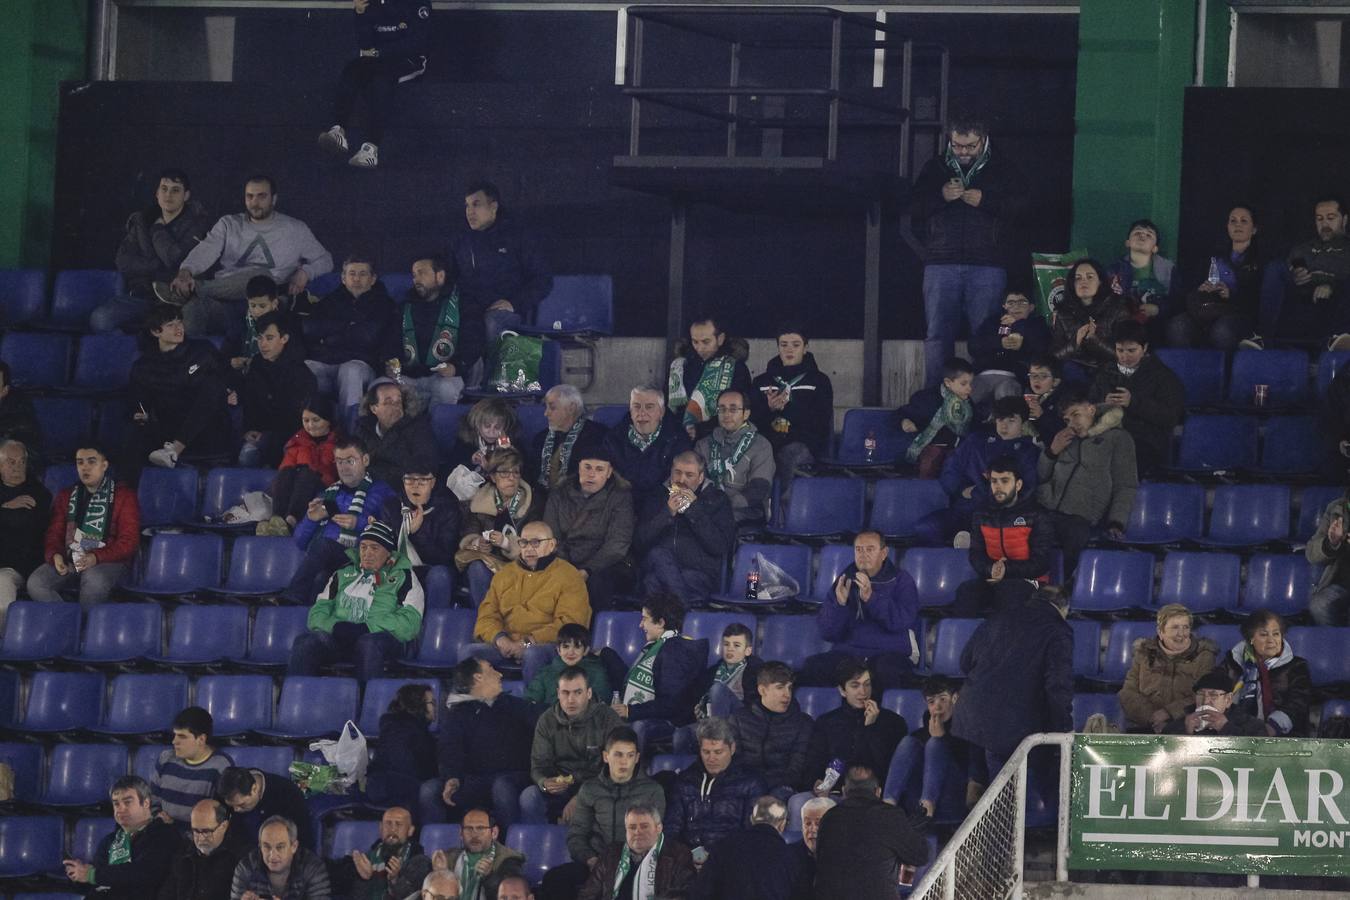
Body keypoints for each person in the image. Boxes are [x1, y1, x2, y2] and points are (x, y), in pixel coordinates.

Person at [910, 114, 1026, 389]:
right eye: (957, 145)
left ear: (983, 140)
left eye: (970, 146)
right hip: (940, 262)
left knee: (985, 334)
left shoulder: (1002, 168)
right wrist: (940, 195)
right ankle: (937, 396)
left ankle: (983, 395)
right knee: (937, 335)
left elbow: (1022, 207)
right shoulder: (936, 167)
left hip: (987, 263)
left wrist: (987, 201)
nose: (962, 152)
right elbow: (914, 206)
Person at [166, 175, 332, 336]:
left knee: (260, 276)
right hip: (225, 300)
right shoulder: (229, 224)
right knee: (191, 313)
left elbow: (325, 260)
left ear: (273, 199)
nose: (254, 203)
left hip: (267, 308)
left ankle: (196, 288)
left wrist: (305, 273)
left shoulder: (295, 229)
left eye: (261, 196)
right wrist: (185, 273)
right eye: (250, 196)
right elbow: (206, 250)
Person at [951, 586, 1073, 780]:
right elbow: (1057, 686)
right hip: (1010, 727)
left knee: (985, 794)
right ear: (1063, 608)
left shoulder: (999, 617)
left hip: (971, 720)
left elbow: (965, 662)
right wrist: (1064, 730)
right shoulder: (1057, 629)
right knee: (1009, 800)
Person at [289, 519, 425, 684]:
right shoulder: (342, 573)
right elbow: (318, 612)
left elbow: (409, 623)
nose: (367, 553)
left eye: (374, 548)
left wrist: (367, 628)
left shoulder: (405, 577)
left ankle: (366, 704)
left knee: (368, 644)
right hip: (340, 638)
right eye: (363, 547)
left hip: (381, 641)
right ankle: (295, 702)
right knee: (306, 643)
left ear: (388, 552)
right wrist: (334, 627)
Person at [800, 530, 919, 694]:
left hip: (891, 651)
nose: (863, 555)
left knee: (885, 671)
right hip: (850, 652)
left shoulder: (901, 580)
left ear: (884, 553)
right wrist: (840, 605)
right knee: (814, 666)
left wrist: (871, 598)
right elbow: (827, 632)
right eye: (859, 549)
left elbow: (900, 622)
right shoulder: (844, 580)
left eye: (870, 549)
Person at [94, 167, 212, 333]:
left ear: (186, 196)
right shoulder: (141, 220)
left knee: (187, 327)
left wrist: (157, 228)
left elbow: (175, 259)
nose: (168, 195)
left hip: (176, 300)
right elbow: (123, 261)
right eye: (164, 189)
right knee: (101, 319)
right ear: (157, 193)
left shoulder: (198, 224)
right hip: (143, 296)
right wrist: (156, 266)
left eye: (175, 190)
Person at [282, 436, 398, 604]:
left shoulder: (383, 493)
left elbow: (394, 532)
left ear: (365, 460)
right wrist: (310, 519)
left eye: (350, 461)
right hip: (329, 563)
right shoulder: (328, 494)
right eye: (339, 461)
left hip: (363, 559)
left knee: (324, 547)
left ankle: (292, 598)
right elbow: (300, 542)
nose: (343, 468)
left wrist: (358, 524)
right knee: (321, 578)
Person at [553, 725, 666, 898]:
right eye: (618, 754)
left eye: (630, 755)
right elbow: (576, 835)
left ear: (637, 758)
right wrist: (590, 859)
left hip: (635, 864)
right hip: (596, 861)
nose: (624, 762)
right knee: (555, 879)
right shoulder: (590, 789)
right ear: (606, 756)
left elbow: (655, 838)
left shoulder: (652, 791)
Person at [1035, 386, 1137, 575]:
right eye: (1067, 419)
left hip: (1080, 516)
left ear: (1091, 409)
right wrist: (1051, 452)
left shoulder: (1118, 438)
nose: (1072, 423)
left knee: (1074, 535)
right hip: (1046, 509)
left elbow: (1126, 485)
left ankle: (1062, 589)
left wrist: (1116, 522)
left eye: (1076, 415)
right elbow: (1041, 477)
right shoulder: (1065, 438)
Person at [317, 0, 431, 168]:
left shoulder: (417, 3)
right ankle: (338, 131)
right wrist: (360, 13)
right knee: (352, 69)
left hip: (409, 61)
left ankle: (371, 149)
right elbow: (365, 44)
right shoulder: (370, 3)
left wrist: (379, 52)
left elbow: (417, 42)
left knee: (380, 80)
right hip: (378, 60)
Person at [422, 658, 534, 827]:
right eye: (491, 669)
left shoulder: (513, 705)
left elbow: (544, 720)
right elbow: (449, 750)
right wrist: (452, 777)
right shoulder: (457, 713)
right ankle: (438, 846)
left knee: (502, 787)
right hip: (474, 780)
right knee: (429, 790)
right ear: (478, 677)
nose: (500, 674)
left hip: (513, 776)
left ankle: (510, 847)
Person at [917, 396, 1040, 546]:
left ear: (1023, 423)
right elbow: (950, 470)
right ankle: (953, 557)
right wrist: (960, 489)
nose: (1004, 426)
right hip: (965, 509)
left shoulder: (1029, 451)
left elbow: (1026, 489)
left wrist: (977, 492)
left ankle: (967, 547)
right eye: (1000, 420)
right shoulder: (976, 442)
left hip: (1001, 515)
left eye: (1011, 421)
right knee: (926, 528)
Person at [28, 443, 140, 609]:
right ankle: (69, 623)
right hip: (71, 557)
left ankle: (87, 630)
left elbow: (129, 542)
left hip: (109, 560)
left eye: (91, 462)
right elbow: (54, 533)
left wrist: (96, 557)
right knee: (36, 583)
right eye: (80, 462)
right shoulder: (67, 495)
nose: (85, 467)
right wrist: (55, 555)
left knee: (94, 579)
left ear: (104, 465)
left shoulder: (124, 496)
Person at [448, 180, 553, 350]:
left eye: (476, 205)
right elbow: (451, 279)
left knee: (492, 322)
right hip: (471, 311)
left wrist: (514, 303)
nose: (470, 212)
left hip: (509, 313)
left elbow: (543, 280)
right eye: (467, 206)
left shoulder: (517, 237)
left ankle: (493, 377)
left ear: (493, 207)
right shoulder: (461, 241)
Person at [126, 306, 232, 475]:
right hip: (168, 423)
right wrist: (140, 412)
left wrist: (230, 390)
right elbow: (138, 400)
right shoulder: (144, 366)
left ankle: (175, 449)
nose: (179, 328)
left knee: (212, 386)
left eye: (180, 322)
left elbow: (225, 377)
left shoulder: (203, 350)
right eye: (171, 325)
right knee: (134, 431)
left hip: (205, 425)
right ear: (155, 332)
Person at [471, 520, 591, 664]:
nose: (528, 548)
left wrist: (527, 643)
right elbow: (486, 616)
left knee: (533, 655)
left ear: (551, 545)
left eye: (535, 543)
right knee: (470, 653)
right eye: (524, 543)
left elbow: (569, 623)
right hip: (506, 645)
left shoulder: (569, 575)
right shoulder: (505, 574)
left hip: (546, 646)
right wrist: (501, 640)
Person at [951, 456, 1053, 618]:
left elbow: (1041, 562)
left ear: (1018, 485)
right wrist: (990, 568)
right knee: (966, 592)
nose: (998, 487)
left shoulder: (1037, 515)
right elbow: (976, 554)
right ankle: (967, 641)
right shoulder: (981, 514)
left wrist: (1008, 569)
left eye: (1004, 481)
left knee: (1011, 592)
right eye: (994, 481)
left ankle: (1005, 642)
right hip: (994, 579)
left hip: (1031, 581)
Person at [522, 666, 623, 824]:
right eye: (565, 693)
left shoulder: (608, 719)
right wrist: (544, 783)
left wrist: (583, 796)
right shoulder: (546, 720)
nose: (571, 700)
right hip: (561, 788)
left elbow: (617, 768)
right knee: (530, 796)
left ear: (588, 693)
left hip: (598, 786)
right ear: (558, 693)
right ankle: (541, 845)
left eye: (578, 692)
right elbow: (538, 765)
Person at [633, 451, 737, 604]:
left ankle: (674, 619)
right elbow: (639, 543)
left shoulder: (717, 500)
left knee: (652, 582)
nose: (681, 480)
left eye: (689, 475)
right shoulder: (656, 497)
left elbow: (720, 547)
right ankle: (683, 615)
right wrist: (666, 514)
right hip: (656, 566)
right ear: (671, 472)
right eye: (677, 473)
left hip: (698, 573)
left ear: (701, 477)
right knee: (658, 554)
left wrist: (693, 510)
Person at [1247, 194, 1350, 349]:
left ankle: (1338, 337)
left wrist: (1332, 286)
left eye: (1331, 217)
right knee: (1275, 267)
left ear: (1344, 220)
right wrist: (1295, 275)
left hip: (1336, 300)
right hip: (1303, 297)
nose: (1325, 224)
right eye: (1319, 219)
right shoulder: (1304, 249)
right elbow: (1292, 268)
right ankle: (1263, 337)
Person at [812, 768, 929, 900]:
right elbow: (920, 856)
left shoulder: (829, 819)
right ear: (878, 792)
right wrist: (913, 829)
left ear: (844, 791)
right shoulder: (890, 816)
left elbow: (820, 858)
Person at [1087, 319, 1185, 477]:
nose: (1124, 356)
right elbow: (1088, 405)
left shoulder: (1163, 377)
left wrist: (1134, 402)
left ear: (1144, 348)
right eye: (1120, 350)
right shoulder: (1105, 373)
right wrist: (1103, 404)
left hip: (1144, 441)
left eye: (1131, 351)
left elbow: (1170, 417)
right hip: (1106, 435)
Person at [543, 446, 634, 613]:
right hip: (564, 560)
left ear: (609, 472)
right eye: (587, 467)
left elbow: (616, 544)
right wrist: (567, 568)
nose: (591, 474)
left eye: (599, 469)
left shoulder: (621, 497)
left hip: (603, 564)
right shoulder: (559, 494)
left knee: (599, 584)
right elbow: (551, 536)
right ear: (578, 467)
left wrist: (588, 570)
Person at [305, 255, 401, 411]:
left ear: (373, 278)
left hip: (362, 365)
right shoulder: (330, 301)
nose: (356, 278)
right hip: (327, 361)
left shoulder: (385, 305)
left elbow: (369, 337)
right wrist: (349, 326)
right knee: (306, 368)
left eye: (363, 274)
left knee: (351, 370)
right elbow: (310, 328)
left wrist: (331, 333)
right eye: (352, 273)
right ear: (343, 278)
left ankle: (350, 431)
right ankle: (302, 431)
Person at [749, 326, 834, 503]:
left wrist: (789, 408)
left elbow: (821, 422)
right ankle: (753, 510)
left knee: (791, 454)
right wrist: (769, 409)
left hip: (803, 443)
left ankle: (787, 514)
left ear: (805, 347)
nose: (789, 349)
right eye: (784, 344)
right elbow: (750, 420)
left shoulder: (819, 380)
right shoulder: (762, 381)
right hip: (768, 442)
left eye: (795, 345)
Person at [804, 660, 906, 800]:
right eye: (855, 685)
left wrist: (869, 728)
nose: (863, 692)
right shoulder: (827, 722)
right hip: (835, 792)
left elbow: (886, 767)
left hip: (876, 794)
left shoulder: (893, 722)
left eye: (867, 684)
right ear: (842, 690)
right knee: (798, 802)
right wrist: (816, 782)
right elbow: (815, 761)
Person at [882, 675, 980, 822]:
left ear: (955, 698)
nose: (937, 707)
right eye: (931, 702)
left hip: (953, 800)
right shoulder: (922, 732)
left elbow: (973, 771)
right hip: (918, 800)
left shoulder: (968, 729)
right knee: (908, 742)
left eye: (943, 699)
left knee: (935, 744)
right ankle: (887, 806)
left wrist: (942, 738)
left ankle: (927, 810)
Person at [1167, 204, 1265, 350]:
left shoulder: (1261, 260)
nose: (1238, 224)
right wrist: (1202, 289)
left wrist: (1229, 294)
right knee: (1178, 325)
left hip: (1238, 314)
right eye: (1233, 221)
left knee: (1222, 330)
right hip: (1206, 310)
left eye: (1244, 221)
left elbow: (1259, 299)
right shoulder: (1212, 256)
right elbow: (1191, 287)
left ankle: (1227, 370)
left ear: (1254, 229)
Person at [64, 775, 178, 899]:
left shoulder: (164, 835)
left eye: (127, 802)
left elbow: (143, 874)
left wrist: (92, 875)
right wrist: (77, 875)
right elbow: (94, 884)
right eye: (116, 804)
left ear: (146, 803)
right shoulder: (110, 840)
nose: (120, 809)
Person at [612, 593, 708, 740]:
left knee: (636, 727)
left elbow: (670, 704)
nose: (640, 625)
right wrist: (607, 655)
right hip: (656, 716)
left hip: (670, 723)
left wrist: (631, 711)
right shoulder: (662, 646)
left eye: (644, 619)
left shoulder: (675, 651)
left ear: (661, 623)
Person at [665, 717, 768, 852]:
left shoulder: (751, 783)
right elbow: (672, 828)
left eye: (718, 752)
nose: (711, 758)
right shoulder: (685, 781)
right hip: (687, 859)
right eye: (706, 752)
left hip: (730, 859)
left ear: (732, 748)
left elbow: (753, 833)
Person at [1117, 603, 1218, 734]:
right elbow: (1127, 693)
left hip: (1186, 728)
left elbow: (1205, 695)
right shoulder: (1144, 654)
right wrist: (1152, 718)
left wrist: (1168, 713)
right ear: (1161, 632)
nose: (1181, 634)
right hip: (1145, 726)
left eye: (1185, 627)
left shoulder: (1204, 656)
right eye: (1175, 627)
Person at [236, 310, 318, 468]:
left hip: (290, 438)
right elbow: (250, 402)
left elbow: (298, 418)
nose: (263, 344)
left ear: (284, 338)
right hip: (261, 433)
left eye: (269, 338)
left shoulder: (300, 372)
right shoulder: (256, 365)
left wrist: (268, 436)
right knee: (247, 455)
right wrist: (249, 429)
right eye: (260, 338)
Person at [1221, 609, 1312, 737]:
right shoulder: (1233, 661)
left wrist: (1272, 727)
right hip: (1235, 729)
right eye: (1264, 635)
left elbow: (1298, 704)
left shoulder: (1297, 666)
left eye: (1276, 634)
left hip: (1281, 734)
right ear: (1251, 638)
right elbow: (1214, 691)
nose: (1271, 640)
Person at [604, 384, 694, 512]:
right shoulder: (613, 439)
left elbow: (681, 485)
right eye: (636, 407)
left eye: (649, 407)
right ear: (630, 410)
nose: (642, 413)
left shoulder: (678, 440)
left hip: (662, 508)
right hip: (622, 507)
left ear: (661, 412)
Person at [730, 663, 814, 799]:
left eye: (790, 688)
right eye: (780, 688)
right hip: (746, 785)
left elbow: (796, 769)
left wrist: (764, 785)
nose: (787, 694)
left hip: (782, 787)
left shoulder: (803, 723)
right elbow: (734, 762)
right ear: (762, 690)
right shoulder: (739, 718)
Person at [577, 805, 696, 900]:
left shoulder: (678, 854)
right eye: (632, 827)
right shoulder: (611, 853)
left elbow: (685, 893)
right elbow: (588, 893)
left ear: (658, 828)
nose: (637, 832)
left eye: (644, 827)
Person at [396, 255, 470, 407]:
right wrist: (392, 362)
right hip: (409, 375)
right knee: (380, 388)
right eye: (414, 275)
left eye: (422, 273)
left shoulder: (463, 303)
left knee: (446, 388)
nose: (416, 279)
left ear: (440, 276)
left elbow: (474, 340)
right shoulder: (405, 304)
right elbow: (391, 339)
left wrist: (456, 366)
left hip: (445, 375)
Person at [695, 388, 775, 529]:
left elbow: (759, 488)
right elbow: (694, 480)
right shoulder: (704, 444)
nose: (726, 414)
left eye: (733, 409)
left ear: (746, 413)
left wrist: (724, 506)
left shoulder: (761, 445)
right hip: (707, 507)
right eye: (722, 409)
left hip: (745, 510)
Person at [260, 397, 339, 537]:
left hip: (323, 484)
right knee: (286, 473)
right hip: (296, 482)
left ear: (328, 420)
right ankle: (277, 520)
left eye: (316, 420)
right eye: (306, 420)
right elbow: (287, 464)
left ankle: (291, 521)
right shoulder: (298, 440)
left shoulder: (338, 443)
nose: (310, 425)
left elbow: (328, 469)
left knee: (306, 474)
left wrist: (306, 460)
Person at [691, 795, 797, 900]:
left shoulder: (723, 846)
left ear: (751, 819)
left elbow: (702, 892)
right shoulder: (790, 856)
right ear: (782, 824)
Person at [455, 447, 539, 577]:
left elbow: (536, 544)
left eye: (516, 472)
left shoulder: (532, 503)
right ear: (493, 477)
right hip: (490, 564)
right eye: (504, 473)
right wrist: (478, 543)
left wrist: (506, 543)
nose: (511, 478)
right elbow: (470, 531)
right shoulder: (480, 502)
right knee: (476, 567)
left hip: (522, 568)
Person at [667, 314, 753, 441]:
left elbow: (739, 410)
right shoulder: (680, 366)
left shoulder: (736, 368)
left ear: (720, 339)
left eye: (706, 342)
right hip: (680, 436)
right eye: (695, 342)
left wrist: (701, 429)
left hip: (720, 438)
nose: (700, 348)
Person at [967, 290, 1052, 406]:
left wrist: (1017, 325)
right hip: (984, 374)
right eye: (1010, 302)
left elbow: (1041, 347)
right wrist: (999, 342)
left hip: (1014, 376)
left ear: (1031, 307)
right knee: (967, 396)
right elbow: (973, 346)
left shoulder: (1037, 324)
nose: (1016, 306)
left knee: (1005, 393)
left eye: (1022, 302)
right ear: (1004, 306)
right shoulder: (992, 322)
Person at [152, 707, 235, 825]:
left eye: (182, 736)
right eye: (175, 735)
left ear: (201, 739)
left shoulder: (221, 766)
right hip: (162, 831)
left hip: (199, 838)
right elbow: (153, 801)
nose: (174, 741)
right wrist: (158, 817)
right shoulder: (165, 758)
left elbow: (221, 817)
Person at [0, 439, 50, 628]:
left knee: (1, 582)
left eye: (22, 462)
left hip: (16, 565)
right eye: (11, 462)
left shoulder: (38, 493)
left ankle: (4, 644)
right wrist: (6, 508)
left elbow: (21, 522)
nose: (18, 467)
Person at [1050, 258, 1130, 375]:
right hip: (1075, 374)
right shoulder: (1063, 312)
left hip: (1110, 372)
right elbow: (1054, 356)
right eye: (1078, 278)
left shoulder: (1117, 308)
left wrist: (1095, 339)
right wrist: (1075, 342)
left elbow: (1127, 355)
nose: (1083, 281)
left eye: (1090, 277)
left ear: (1100, 281)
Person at [158, 798, 250, 900]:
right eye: (196, 831)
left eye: (206, 832)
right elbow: (167, 892)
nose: (201, 838)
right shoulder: (184, 852)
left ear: (224, 826)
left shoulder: (240, 859)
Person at [897, 357, 974, 478]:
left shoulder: (968, 405)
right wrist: (905, 421)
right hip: (930, 450)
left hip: (957, 451)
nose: (969, 388)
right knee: (932, 458)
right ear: (948, 382)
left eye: (971, 383)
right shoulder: (927, 399)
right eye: (964, 384)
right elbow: (900, 413)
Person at [366, 684, 439, 813]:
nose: (435, 708)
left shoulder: (389, 726)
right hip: (399, 791)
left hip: (375, 787)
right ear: (419, 706)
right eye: (432, 703)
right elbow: (426, 771)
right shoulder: (417, 733)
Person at [331, 807, 430, 900]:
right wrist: (364, 880)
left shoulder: (420, 862)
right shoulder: (366, 859)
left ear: (410, 830)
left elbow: (415, 896)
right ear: (381, 828)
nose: (393, 829)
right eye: (388, 823)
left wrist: (395, 880)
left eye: (399, 824)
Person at [355, 378, 438, 487]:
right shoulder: (363, 429)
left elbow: (425, 467)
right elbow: (355, 466)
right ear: (374, 408)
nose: (396, 407)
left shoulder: (419, 428)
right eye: (388, 402)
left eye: (398, 401)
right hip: (367, 489)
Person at [428, 808, 525, 900]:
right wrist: (440, 874)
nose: (474, 834)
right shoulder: (449, 858)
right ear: (461, 833)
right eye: (469, 828)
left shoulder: (509, 860)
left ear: (494, 833)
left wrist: (490, 877)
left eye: (481, 828)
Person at [1105, 219, 1178, 339]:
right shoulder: (1115, 269)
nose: (1142, 236)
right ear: (1128, 242)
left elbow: (1177, 300)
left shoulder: (1168, 269)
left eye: (1149, 235)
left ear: (1155, 248)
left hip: (1156, 321)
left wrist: (1158, 309)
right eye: (1137, 233)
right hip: (1125, 320)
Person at [229, 816, 331, 900]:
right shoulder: (246, 867)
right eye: (266, 846)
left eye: (280, 847)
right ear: (259, 846)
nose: (272, 855)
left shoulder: (312, 868)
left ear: (294, 847)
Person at [532, 385, 608, 494]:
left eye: (552, 408)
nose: (546, 413)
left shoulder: (598, 436)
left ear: (571, 408)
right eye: (546, 408)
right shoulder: (540, 439)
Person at [218, 767, 315, 850]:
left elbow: (304, 840)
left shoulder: (288, 794)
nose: (236, 810)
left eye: (242, 805)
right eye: (232, 806)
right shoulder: (227, 788)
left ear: (254, 789)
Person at [524, 623, 612, 708]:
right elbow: (531, 698)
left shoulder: (596, 672)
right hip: (549, 718)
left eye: (577, 647)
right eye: (566, 646)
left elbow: (602, 701)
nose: (571, 652)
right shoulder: (546, 672)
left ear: (585, 650)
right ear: (558, 650)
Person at [1161, 669, 1268, 737]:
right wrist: (1186, 733)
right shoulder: (1179, 724)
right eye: (1201, 694)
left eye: (1213, 695)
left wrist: (1226, 728)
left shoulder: (1252, 725)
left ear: (1228, 699)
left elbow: (1260, 755)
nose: (1206, 701)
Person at [691, 623, 763, 718]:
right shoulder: (712, 672)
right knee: (682, 732)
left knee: (717, 689)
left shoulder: (756, 671)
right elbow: (696, 697)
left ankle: (718, 731)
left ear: (748, 651)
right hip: (710, 720)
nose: (730, 649)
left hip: (740, 722)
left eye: (736, 645)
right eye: (726, 644)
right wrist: (699, 707)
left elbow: (757, 707)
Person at [399, 466, 460, 570]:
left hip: (433, 569)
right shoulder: (393, 506)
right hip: (399, 572)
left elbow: (445, 558)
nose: (415, 485)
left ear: (432, 482)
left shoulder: (447, 508)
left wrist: (417, 533)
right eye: (409, 479)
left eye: (423, 480)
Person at [1305, 486, 1350, 626]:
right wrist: (1331, 543)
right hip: (1342, 585)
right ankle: (1334, 644)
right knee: (1319, 604)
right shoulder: (1336, 509)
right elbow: (1311, 553)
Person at [448, 399, 521, 476]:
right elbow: (450, 469)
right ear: (477, 424)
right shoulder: (465, 441)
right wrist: (471, 461)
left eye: (497, 427)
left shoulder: (514, 443)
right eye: (487, 426)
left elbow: (523, 472)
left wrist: (507, 455)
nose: (491, 431)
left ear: (505, 427)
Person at [788, 797, 834, 900]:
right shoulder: (789, 856)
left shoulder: (845, 855)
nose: (812, 829)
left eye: (818, 823)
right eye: (807, 823)